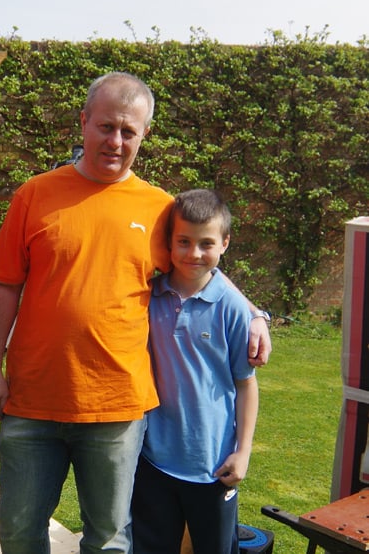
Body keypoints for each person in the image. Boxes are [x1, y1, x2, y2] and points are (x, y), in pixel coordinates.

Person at [0, 72, 271, 554]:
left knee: (110, 539)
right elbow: (5, 284)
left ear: (143, 135)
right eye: (106, 126)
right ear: (84, 122)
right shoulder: (35, 194)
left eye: (128, 131)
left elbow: (201, 264)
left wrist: (254, 313)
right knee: (18, 530)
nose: (115, 141)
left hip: (116, 407)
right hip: (32, 399)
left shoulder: (160, 210)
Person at [131, 189, 259, 554]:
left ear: (225, 244)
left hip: (213, 465)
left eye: (206, 243)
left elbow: (246, 386)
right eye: (183, 242)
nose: (194, 253)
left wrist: (243, 451)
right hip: (153, 460)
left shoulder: (233, 308)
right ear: (168, 243)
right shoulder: (149, 295)